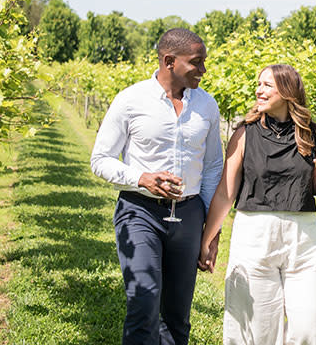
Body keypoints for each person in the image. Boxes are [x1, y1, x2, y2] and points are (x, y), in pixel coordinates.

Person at [91, 28, 224, 345]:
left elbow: (212, 167)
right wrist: (142, 178)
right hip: (140, 213)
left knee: (177, 316)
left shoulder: (206, 105)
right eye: (196, 62)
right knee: (144, 302)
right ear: (169, 61)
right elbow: (100, 159)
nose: (203, 70)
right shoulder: (130, 100)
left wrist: (210, 231)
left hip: (190, 215)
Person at [199, 63, 316, 345]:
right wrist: (207, 238)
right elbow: (226, 193)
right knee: (256, 329)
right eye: (258, 84)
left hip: (303, 238)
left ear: (287, 91)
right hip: (254, 236)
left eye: (267, 85)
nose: (258, 90)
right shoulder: (244, 133)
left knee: (311, 325)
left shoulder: (314, 133)